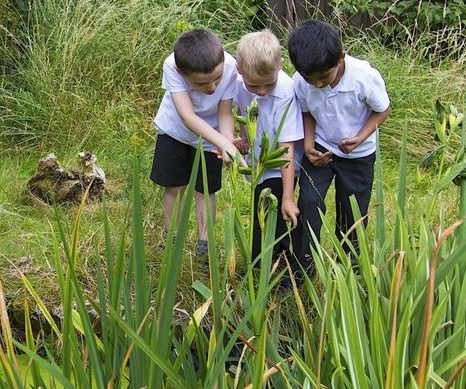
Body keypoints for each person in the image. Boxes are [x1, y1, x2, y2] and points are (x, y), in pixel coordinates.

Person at [288, 20, 390, 276]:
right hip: (322, 149)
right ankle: (302, 270)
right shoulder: (301, 82)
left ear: (341, 58)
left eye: (324, 77)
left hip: (358, 154)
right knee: (309, 202)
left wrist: (359, 137)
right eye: (311, 80)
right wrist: (309, 143)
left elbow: (382, 110)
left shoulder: (364, 78)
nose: (318, 85)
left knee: (352, 213)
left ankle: (347, 271)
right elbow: (307, 111)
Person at [150, 28, 241, 257]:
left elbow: (225, 113)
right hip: (175, 130)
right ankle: (171, 238)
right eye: (202, 84)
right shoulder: (172, 65)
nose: (211, 88)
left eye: (216, 80)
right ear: (182, 72)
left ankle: (204, 243)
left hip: (213, 134)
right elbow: (187, 116)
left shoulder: (229, 66)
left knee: (205, 189)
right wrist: (223, 142)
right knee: (174, 187)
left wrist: (227, 141)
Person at [231, 30, 303, 279]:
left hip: (280, 163)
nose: (261, 92)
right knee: (258, 215)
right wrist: (245, 141)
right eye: (254, 85)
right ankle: (260, 268)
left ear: (280, 66)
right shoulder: (240, 83)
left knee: (274, 212)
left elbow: (287, 150)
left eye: (267, 84)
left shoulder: (286, 91)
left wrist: (288, 197)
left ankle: (277, 270)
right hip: (258, 161)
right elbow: (245, 110)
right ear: (240, 70)